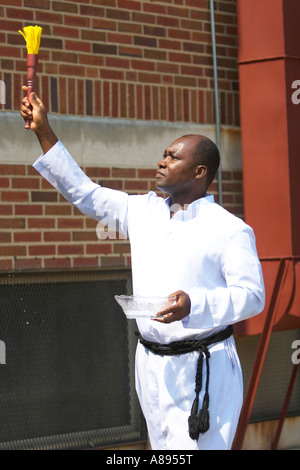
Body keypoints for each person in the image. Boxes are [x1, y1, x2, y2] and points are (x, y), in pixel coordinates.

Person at [20, 88, 265, 450]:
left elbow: (252, 297)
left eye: (173, 157)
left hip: (203, 368)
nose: (162, 161)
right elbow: (84, 193)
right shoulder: (143, 210)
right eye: (163, 154)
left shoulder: (229, 229)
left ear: (200, 172)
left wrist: (193, 304)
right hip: (150, 362)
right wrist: (44, 131)